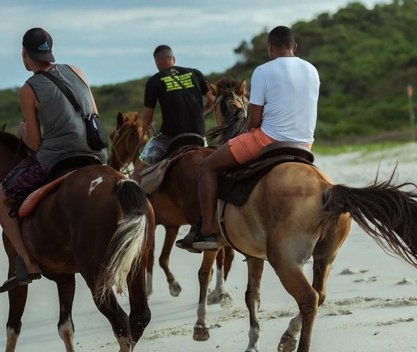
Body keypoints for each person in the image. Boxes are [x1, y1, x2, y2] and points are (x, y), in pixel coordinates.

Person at [179, 25, 320, 251]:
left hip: (267, 140)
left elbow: (254, 121)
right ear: (294, 46)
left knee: (207, 167)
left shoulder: (263, 71)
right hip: (305, 144)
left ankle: (207, 232)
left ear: (270, 48)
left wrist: (246, 127)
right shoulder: (312, 70)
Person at [0, 27, 106, 292]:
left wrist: (21, 132)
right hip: (96, 153)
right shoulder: (78, 71)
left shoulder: (29, 88)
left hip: (57, 158)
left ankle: (29, 263)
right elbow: (94, 115)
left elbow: (34, 144)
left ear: (24, 54)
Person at [132, 45, 215, 183]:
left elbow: (147, 117)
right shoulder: (196, 73)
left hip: (169, 138)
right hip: (199, 136)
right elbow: (213, 101)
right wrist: (201, 114)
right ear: (173, 59)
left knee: (137, 173)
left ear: (157, 62)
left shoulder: (154, 81)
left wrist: (146, 130)